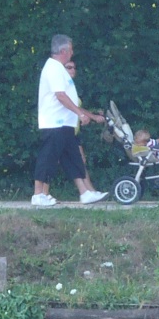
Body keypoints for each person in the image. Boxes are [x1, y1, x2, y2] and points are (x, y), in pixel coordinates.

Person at [32, 34, 108, 206]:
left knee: (73, 158)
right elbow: (60, 96)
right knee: (48, 158)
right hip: (54, 123)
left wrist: (84, 115)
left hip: (65, 124)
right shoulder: (53, 68)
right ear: (64, 51)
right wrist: (80, 114)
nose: (73, 52)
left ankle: (85, 193)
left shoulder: (59, 69)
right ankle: (38, 195)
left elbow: (68, 97)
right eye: (71, 49)